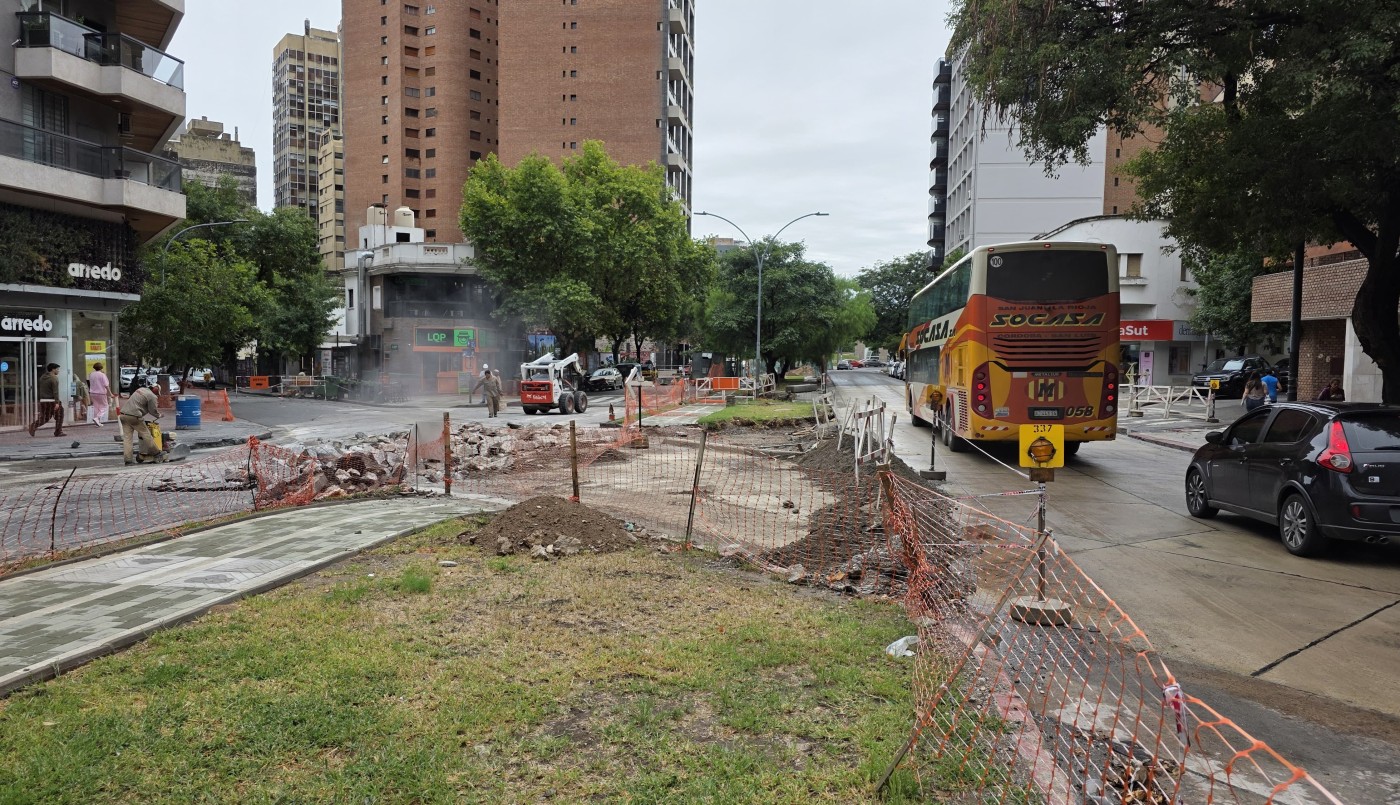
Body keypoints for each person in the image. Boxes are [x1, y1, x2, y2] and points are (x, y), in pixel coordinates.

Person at [118, 375, 164, 465]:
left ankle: (128, 460)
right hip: (134, 416)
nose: (157, 394)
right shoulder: (152, 396)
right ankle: (156, 452)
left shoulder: (141, 389)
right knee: (146, 434)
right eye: (157, 392)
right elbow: (152, 410)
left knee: (127, 439)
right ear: (155, 388)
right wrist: (159, 415)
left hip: (123, 415)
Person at [27, 363, 67, 438]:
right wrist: (57, 402)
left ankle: (33, 426)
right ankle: (58, 431)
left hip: (43, 400)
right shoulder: (54, 378)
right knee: (60, 415)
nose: (58, 371)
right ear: (53, 369)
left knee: (45, 417)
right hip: (52, 400)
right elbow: (55, 391)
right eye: (57, 369)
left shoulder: (42, 377)